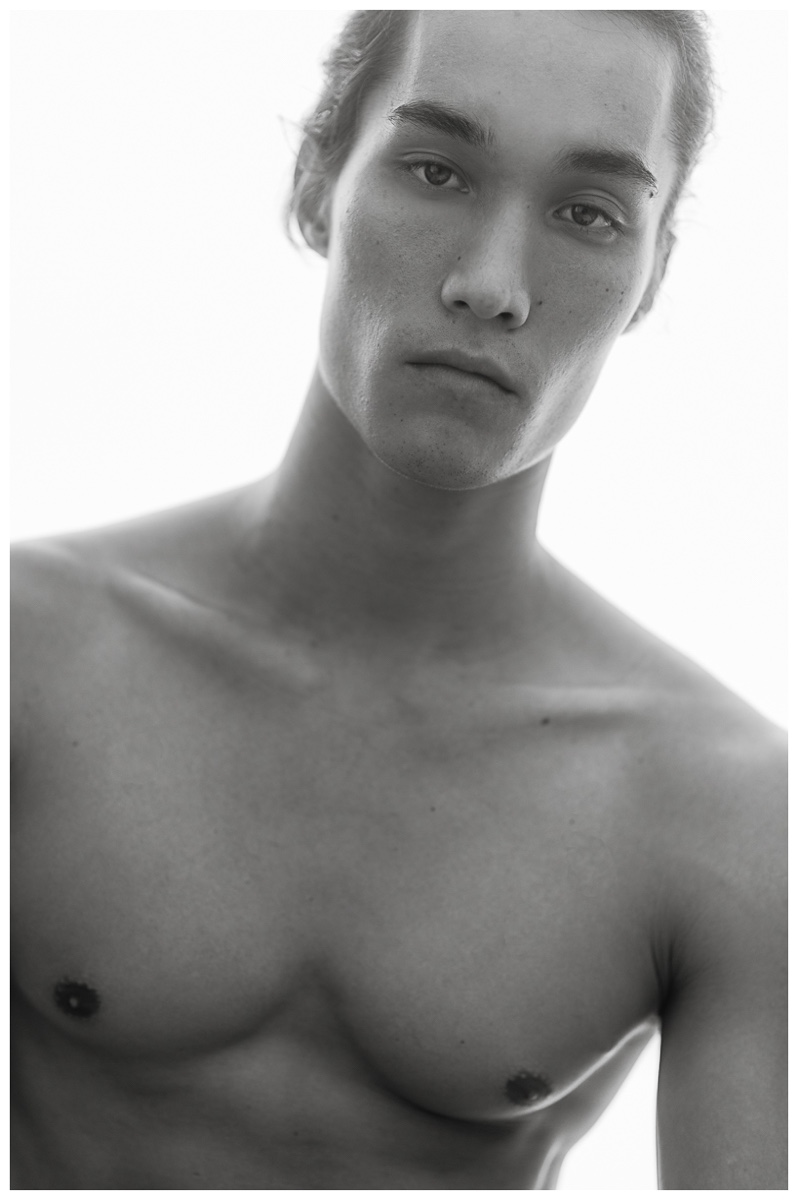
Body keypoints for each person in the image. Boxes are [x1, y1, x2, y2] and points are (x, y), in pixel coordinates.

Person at [10, 9, 786, 1190]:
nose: (491, 285)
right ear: (318, 182)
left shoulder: (730, 818)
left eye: (589, 214)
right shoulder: (30, 662)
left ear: (650, 277)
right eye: (436, 170)